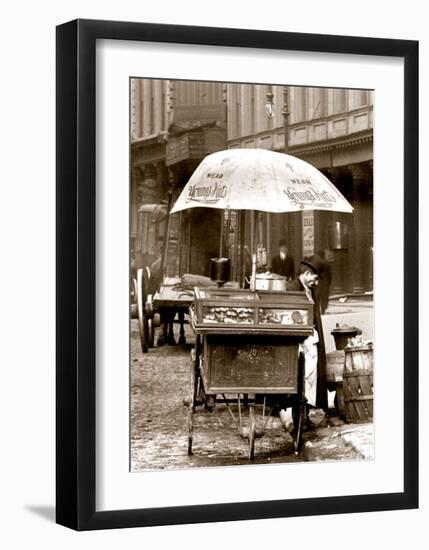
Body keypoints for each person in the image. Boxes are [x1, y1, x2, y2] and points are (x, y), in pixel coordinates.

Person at [287, 254, 328, 412]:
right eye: (314, 278)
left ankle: (307, 407)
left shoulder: (309, 290)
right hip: (301, 341)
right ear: (306, 273)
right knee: (304, 376)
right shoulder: (292, 289)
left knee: (311, 375)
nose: (316, 282)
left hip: (310, 341)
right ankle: (299, 409)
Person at [316, 248, 332, 314]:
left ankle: (317, 310)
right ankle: (323, 310)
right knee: (324, 298)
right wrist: (329, 283)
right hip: (325, 284)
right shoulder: (327, 264)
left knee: (317, 297)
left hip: (318, 284)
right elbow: (330, 275)